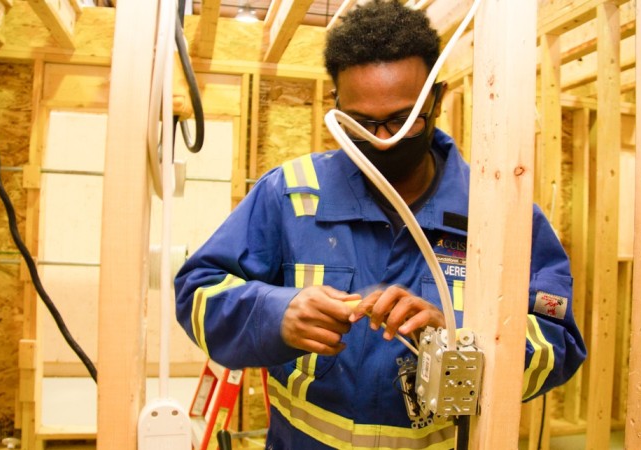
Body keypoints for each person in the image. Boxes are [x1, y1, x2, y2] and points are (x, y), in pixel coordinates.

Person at [175, 1, 586, 448]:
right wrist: (277, 314)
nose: (383, 141)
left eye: (401, 120)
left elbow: (558, 342)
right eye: (363, 123)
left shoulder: (500, 210)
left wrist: (458, 338)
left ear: (436, 99)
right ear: (337, 106)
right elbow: (197, 292)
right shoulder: (290, 193)